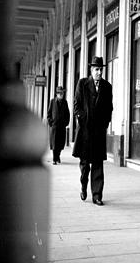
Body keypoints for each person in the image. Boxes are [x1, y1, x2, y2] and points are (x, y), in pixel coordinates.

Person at [72, 56, 113, 206]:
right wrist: (83, 120)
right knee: (84, 165)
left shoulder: (107, 87)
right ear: (91, 70)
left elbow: (109, 108)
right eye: (96, 69)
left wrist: (104, 124)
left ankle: (97, 195)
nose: (99, 73)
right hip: (84, 132)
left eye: (101, 70)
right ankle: (83, 185)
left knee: (97, 165)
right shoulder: (82, 84)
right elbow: (77, 105)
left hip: (98, 133)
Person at [47, 86, 70, 165]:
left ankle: (58, 156)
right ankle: (54, 159)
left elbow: (67, 114)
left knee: (60, 144)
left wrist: (66, 123)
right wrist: (51, 122)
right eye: (59, 93)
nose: (61, 95)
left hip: (62, 126)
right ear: (56, 94)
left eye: (62, 93)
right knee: (54, 143)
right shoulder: (52, 101)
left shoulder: (65, 102)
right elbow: (49, 113)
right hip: (54, 126)